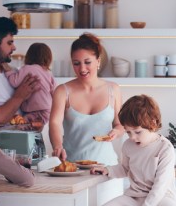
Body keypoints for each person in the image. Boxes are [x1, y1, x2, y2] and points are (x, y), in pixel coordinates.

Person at [48, 32, 125, 165]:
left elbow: (120, 124)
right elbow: (54, 124)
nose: (82, 69)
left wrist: (116, 132)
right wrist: (57, 146)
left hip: (108, 168)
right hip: (72, 168)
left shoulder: (113, 89)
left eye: (87, 62)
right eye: (76, 63)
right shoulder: (62, 91)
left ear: (98, 61)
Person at [3, 42, 55, 125]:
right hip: (47, 110)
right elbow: (54, 93)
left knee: (22, 125)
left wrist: (8, 71)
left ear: (28, 56)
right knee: (34, 127)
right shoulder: (49, 74)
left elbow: (14, 82)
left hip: (33, 110)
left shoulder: (27, 69)